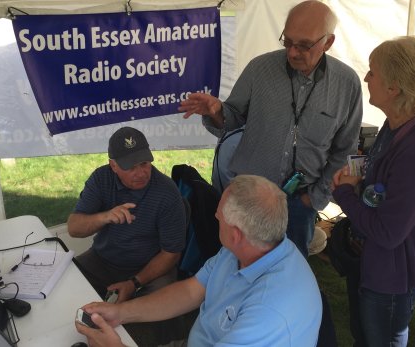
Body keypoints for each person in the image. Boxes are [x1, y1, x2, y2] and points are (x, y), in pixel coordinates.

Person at [178, 0, 363, 258]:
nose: (293, 52)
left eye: (304, 45)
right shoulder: (260, 68)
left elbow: (346, 149)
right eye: (287, 41)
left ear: (328, 43)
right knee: (234, 265)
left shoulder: (347, 84)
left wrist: (314, 199)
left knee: (286, 273)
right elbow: (233, 121)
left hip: (299, 203)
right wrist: (217, 110)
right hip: (249, 198)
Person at [75, 175, 323, 347]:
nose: (215, 217)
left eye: (218, 219)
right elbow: (192, 291)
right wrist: (120, 313)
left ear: (236, 234)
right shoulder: (250, 246)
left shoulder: (270, 310)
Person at [331, 36, 415, 347]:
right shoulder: (396, 124)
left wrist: (343, 194)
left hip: (393, 274)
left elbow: (388, 232)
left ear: (394, 87)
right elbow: (381, 173)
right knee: (367, 334)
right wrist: (357, 175)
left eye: (373, 72)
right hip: (378, 261)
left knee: (382, 338)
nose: (367, 78)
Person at [67, 126, 186, 303]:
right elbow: (73, 228)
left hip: (149, 268)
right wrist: (105, 216)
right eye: (130, 167)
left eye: (145, 163)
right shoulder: (101, 179)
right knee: (67, 283)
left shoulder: (166, 192)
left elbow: (171, 254)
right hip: (102, 259)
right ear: (113, 165)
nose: (141, 173)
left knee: (164, 303)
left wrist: (133, 283)